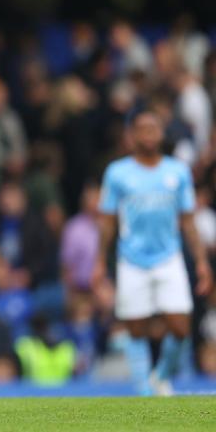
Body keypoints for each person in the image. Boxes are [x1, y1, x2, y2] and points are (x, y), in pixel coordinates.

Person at [93, 107, 213, 396]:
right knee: (136, 328)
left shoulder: (177, 172)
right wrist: (99, 262)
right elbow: (108, 221)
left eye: (153, 128)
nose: (148, 134)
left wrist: (200, 261)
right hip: (132, 259)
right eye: (142, 129)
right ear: (132, 135)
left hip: (168, 257)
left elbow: (188, 220)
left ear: (161, 133)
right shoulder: (117, 173)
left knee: (181, 326)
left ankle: (160, 375)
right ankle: (144, 393)